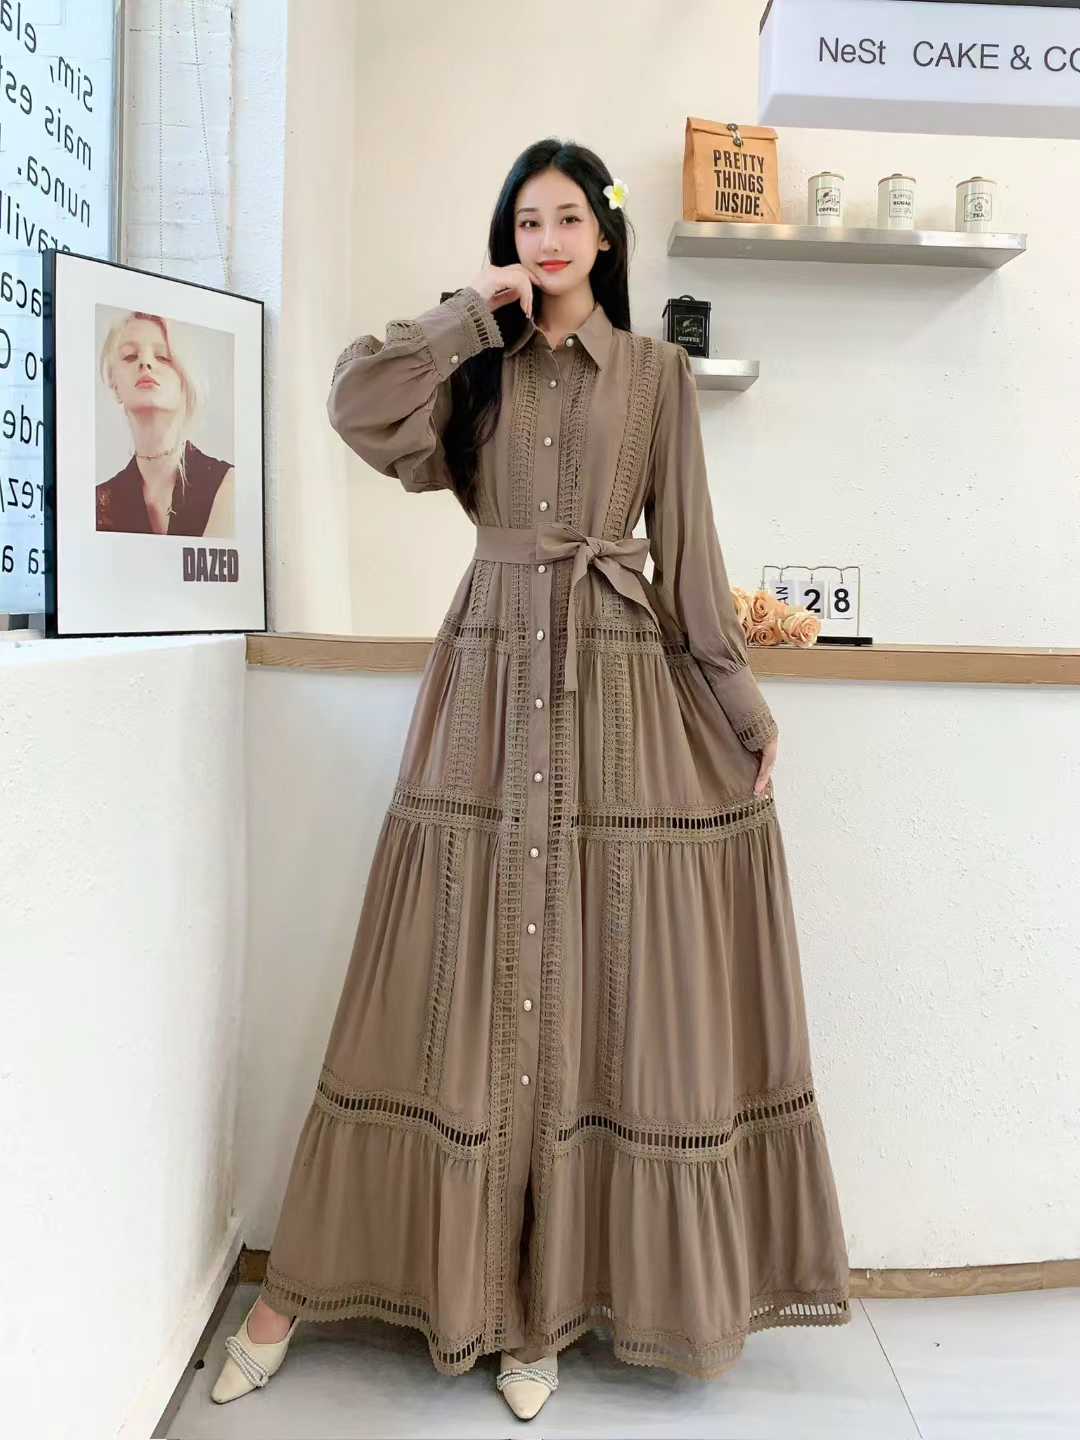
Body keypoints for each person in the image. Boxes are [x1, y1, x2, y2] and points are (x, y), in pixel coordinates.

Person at [212, 139, 851, 1422]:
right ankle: (372, 1291)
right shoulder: (476, 371)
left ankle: (543, 1316)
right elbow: (355, 403)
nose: (546, 240)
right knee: (451, 969)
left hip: (615, 694)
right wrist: (473, 309)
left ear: (606, 236)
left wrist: (740, 705)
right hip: (492, 688)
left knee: (591, 986)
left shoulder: (658, 377)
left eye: (566, 220)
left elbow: (690, 556)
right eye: (525, 223)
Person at [96, 311, 235, 538]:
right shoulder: (98, 504)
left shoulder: (228, 485)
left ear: (185, 379)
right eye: (130, 356)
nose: (146, 363)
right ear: (114, 385)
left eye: (163, 357)